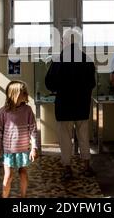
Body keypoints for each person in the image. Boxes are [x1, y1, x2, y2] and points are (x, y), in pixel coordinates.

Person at [45, 29, 96, 180]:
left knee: (64, 138)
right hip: (82, 105)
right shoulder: (87, 59)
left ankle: (67, 168)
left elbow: (49, 83)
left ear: (65, 42)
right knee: (84, 136)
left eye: (62, 41)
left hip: (64, 106)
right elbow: (92, 83)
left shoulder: (59, 60)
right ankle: (86, 166)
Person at [0, 81, 39, 198]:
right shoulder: (3, 111)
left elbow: (33, 130)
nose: (26, 95)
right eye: (23, 93)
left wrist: (34, 148)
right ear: (14, 94)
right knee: (8, 176)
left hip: (23, 150)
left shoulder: (28, 110)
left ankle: (23, 197)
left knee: (23, 173)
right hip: (8, 151)